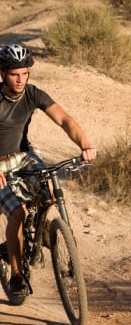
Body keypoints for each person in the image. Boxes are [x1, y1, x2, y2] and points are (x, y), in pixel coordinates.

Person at [0, 43, 97, 301]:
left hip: (24, 157)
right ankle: (17, 275)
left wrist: (84, 144)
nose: (20, 80)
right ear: (2, 74)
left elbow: (65, 120)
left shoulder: (32, 94)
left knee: (51, 187)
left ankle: (43, 225)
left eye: (24, 73)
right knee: (18, 213)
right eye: (14, 74)